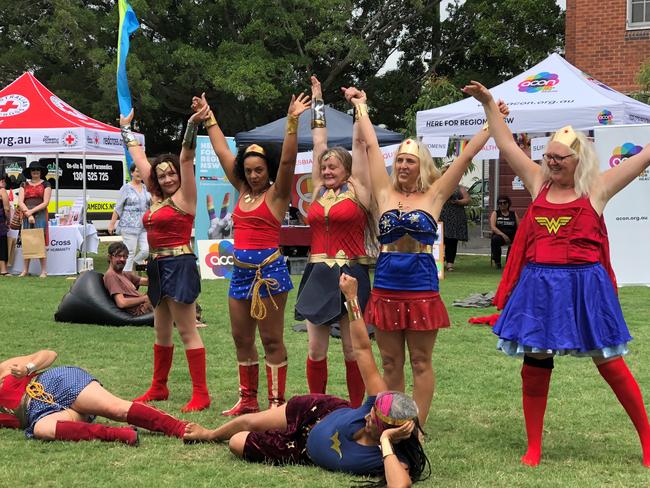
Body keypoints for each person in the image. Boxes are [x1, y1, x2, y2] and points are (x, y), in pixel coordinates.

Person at [464, 80, 650, 467]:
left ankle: (648, 440)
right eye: (548, 155)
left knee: (610, 363)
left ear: (578, 160)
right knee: (535, 364)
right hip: (539, 287)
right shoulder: (537, 184)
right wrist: (487, 105)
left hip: (585, 287)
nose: (550, 162)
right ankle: (534, 446)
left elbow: (644, 156)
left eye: (559, 157)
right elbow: (506, 145)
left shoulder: (597, 190)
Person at [343, 86, 509, 425]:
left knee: (420, 361)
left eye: (410, 161)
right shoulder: (383, 190)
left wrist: (492, 120)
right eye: (400, 160)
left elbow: (465, 158)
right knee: (391, 363)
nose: (403, 165)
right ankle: (394, 420)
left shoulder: (435, 194)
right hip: (387, 283)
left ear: (421, 166)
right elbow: (372, 146)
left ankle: (416, 425)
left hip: (420, 285)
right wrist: (360, 107)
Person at [184, 274, 431, 487]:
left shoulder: (392, 457)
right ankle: (209, 434)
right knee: (249, 420)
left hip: (301, 449)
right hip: (318, 411)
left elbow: (400, 485)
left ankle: (268, 433)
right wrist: (352, 299)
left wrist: (386, 442)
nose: (367, 414)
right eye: (372, 412)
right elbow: (363, 349)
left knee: (238, 442)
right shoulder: (377, 401)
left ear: (393, 431)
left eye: (374, 420)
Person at [197, 92, 310, 416]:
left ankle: (276, 403)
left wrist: (292, 122)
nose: (253, 175)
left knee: (271, 340)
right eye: (248, 170)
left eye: (259, 169)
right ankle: (248, 400)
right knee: (241, 338)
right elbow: (221, 152)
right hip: (241, 274)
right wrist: (210, 117)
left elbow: (288, 162)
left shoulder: (276, 194)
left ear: (267, 169)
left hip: (270, 275)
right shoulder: (243, 191)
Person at [119, 99, 212, 412]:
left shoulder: (186, 195)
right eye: (162, 175)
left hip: (179, 263)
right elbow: (139, 156)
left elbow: (186, 156)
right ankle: (159, 387)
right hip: (157, 265)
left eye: (171, 173)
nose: (168, 178)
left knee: (186, 330)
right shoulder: (156, 196)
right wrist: (126, 128)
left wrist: (192, 123)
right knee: (160, 330)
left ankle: (201, 394)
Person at [294, 76, 372, 408]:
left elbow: (359, 145)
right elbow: (318, 141)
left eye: (334, 166)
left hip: (351, 274)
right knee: (315, 349)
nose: (327, 169)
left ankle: (355, 410)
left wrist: (359, 106)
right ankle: (318, 407)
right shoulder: (317, 191)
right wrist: (318, 99)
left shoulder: (360, 189)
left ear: (347, 170)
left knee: (353, 349)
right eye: (324, 166)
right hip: (317, 274)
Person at [0, 350, 189, 444]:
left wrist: (28, 368)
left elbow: (49, 354)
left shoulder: (3, 369)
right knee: (43, 429)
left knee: (116, 408)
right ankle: (121, 434)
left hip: (53, 383)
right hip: (41, 413)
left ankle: (181, 429)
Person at [108, 163, 151, 272]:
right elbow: (118, 207)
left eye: (141, 171)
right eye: (137, 171)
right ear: (132, 173)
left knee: (146, 250)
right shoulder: (126, 188)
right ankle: (125, 277)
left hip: (144, 226)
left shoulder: (146, 188)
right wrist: (112, 224)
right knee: (130, 252)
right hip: (129, 226)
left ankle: (137, 263)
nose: (139, 174)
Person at [17, 161, 51, 278]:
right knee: (27, 242)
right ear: (30, 172)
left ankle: (44, 271)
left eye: (38, 170)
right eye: (33, 170)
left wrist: (32, 212)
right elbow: (20, 201)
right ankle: (25, 270)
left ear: (41, 172)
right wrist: (28, 214)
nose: (35, 172)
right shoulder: (23, 184)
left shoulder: (46, 184)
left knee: (39, 241)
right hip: (27, 215)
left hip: (40, 215)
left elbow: (46, 202)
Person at [103, 241, 152, 317]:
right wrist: (145, 298)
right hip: (141, 310)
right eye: (118, 256)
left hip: (146, 304)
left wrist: (150, 270)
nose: (122, 259)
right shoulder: (111, 276)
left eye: (125, 256)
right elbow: (122, 303)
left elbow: (150, 282)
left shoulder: (125, 274)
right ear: (110, 257)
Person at [439, 181, 470, 272]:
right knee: (439, 240)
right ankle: (439, 261)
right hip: (442, 217)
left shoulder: (460, 188)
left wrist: (457, 201)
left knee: (452, 241)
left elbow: (467, 199)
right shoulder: (439, 186)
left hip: (455, 218)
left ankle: (450, 264)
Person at [489, 195, 519, 269]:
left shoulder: (513, 214)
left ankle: (509, 262)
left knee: (517, 241)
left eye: (504, 202)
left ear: (508, 204)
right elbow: (493, 227)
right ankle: (497, 261)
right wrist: (503, 235)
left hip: (512, 235)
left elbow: (519, 227)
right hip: (500, 235)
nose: (502, 205)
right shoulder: (495, 213)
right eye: (500, 203)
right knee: (495, 239)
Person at [0, 176, 10, 275]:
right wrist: (8, 220)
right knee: (2, 244)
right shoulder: (2, 190)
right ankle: (3, 270)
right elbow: (7, 208)